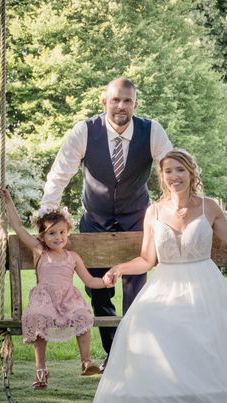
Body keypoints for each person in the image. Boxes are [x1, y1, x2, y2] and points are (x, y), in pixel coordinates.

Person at [87, 148, 227, 403]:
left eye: (180, 169)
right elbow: (147, 260)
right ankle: (167, 393)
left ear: (191, 172)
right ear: (162, 177)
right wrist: (119, 268)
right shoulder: (154, 211)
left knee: (207, 329)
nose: (175, 176)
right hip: (165, 283)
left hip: (203, 285)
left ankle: (205, 393)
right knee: (140, 323)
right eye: (169, 170)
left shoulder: (209, 207)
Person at [39, 78, 172, 370]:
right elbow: (61, 174)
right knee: (99, 291)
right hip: (95, 225)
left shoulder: (152, 132)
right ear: (104, 102)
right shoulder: (85, 131)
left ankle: (135, 356)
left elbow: (171, 171)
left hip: (138, 224)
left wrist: (178, 211)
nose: (121, 106)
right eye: (115, 100)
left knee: (136, 292)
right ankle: (115, 354)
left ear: (135, 104)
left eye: (127, 101)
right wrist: (46, 214)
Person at [0, 187, 111, 389]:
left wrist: (106, 281)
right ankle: (40, 369)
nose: (58, 237)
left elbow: (90, 281)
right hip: (45, 298)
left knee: (83, 316)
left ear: (67, 232)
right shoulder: (39, 250)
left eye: (62, 232)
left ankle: (85, 362)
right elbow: (19, 227)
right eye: (52, 233)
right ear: (42, 236)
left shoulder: (73, 257)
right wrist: (8, 202)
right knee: (37, 318)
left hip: (68, 299)